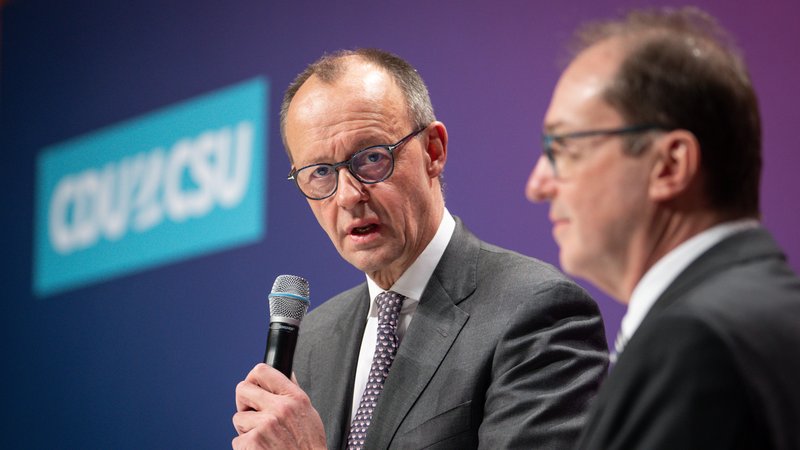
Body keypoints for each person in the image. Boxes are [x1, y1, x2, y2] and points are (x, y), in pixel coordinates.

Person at [232, 48, 608, 449]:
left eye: (372, 158)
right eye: (321, 172)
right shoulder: (314, 340)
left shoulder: (534, 312)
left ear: (433, 151)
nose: (347, 195)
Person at [526, 7, 800, 450]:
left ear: (669, 165)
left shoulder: (694, 343)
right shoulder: (768, 312)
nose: (537, 185)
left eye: (564, 147)